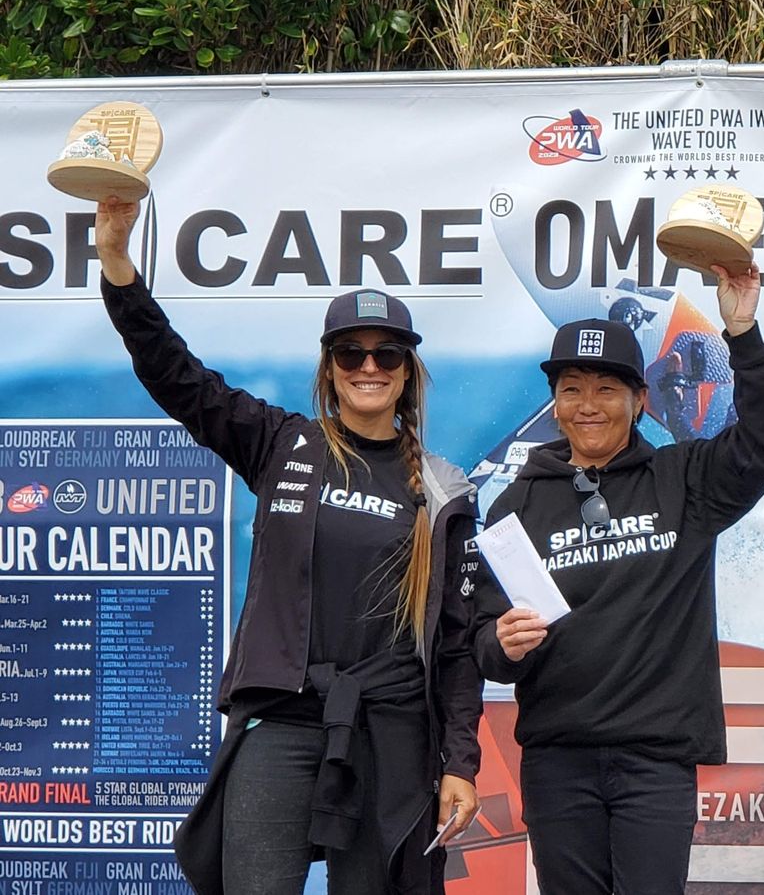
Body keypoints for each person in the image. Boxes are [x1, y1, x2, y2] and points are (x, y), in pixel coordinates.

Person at [95, 197, 483, 895]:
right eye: (351, 352)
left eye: (387, 352)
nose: (370, 365)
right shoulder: (282, 443)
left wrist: (460, 763)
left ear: (407, 369)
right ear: (330, 367)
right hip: (281, 718)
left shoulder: (443, 488)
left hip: (389, 732)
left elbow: (456, 645)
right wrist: (120, 265)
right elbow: (176, 377)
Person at [472, 264, 764, 894]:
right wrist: (500, 644)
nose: (588, 405)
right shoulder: (516, 506)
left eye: (606, 388)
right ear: (556, 405)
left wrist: (743, 334)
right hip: (557, 762)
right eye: (571, 390)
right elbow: (486, 641)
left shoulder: (685, 480)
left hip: (655, 762)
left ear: (639, 400)